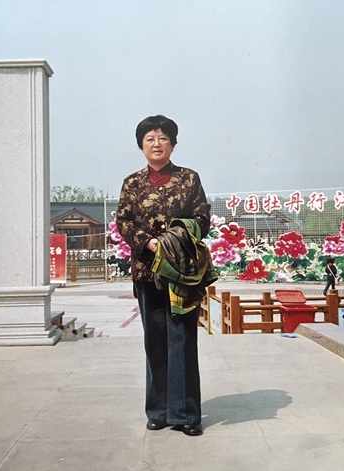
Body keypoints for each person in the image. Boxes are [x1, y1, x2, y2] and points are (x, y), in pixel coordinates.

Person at [116, 115, 209, 437]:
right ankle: (158, 411)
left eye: (163, 138)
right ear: (141, 146)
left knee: (183, 339)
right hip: (147, 272)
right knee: (155, 341)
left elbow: (202, 219)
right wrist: (149, 243)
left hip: (182, 273)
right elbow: (124, 222)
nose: (157, 144)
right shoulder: (132, 183)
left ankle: (187, 414)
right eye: (150, 139)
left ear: (173, 143)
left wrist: (172, 241)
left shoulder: (189, 179)